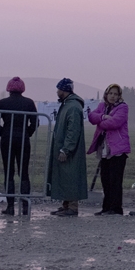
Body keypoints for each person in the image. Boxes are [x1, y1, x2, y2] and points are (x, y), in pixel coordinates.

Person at [0, 77, 38, 216]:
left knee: (8, 172)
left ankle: (10, 207)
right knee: (24, 173)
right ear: (22, 88)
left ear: (8, 88)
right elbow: (35, 122)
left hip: (7, 138)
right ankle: (25, 207)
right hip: (23, 139)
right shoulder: (29, 103)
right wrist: (26, 133)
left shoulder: (3, 102)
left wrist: (3, 132)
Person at [47, 78, 88, 216]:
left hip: (70, 151)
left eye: (58, 89)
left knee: (70, 176)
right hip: (64, 147)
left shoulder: (73, 107)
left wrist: (66, 149)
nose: (57, 92)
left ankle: (72, 207)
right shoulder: (67, 105)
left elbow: (73, 130)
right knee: (65, 176)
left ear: (64, 90)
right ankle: (66, 204)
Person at [88, 84, 130, 215]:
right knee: (105, 179)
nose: (113, 96)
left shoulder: (123, 107)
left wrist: (100, 122)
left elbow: (115, 123)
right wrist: (103, 117)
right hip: (104, 149)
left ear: (119, 96)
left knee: (115, 180)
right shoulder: (102, 107)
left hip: (117, 150)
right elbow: (91, 117)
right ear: (106, 94)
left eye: (115, 94)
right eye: (110, 93)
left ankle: (116, 208)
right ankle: (106, 207)